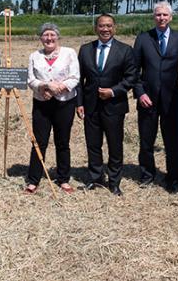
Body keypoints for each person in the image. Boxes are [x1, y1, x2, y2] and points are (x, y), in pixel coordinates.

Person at [77, 14, 137, 196]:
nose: (105, 29)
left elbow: (131, 77)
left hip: (114, 106)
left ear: (114, 28)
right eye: (102, 26)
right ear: (96, 28)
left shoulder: (125, 50)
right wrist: (79, 103)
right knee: (93, 144)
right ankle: (95, 178)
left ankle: (114, 181)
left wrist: (113, 91)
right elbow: (79, 80)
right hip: (91, 106)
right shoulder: (85, 49)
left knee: (115, 145)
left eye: (109, 26)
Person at [132, 1, 178, 191]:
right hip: (147, 99)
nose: (161, 18)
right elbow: (134, 71)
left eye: (165, 15)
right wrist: (139, 93)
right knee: (146, 140)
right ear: (153, 17)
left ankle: (173, 176)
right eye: (158, 15)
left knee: (172, 140)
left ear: (171, 17)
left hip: (171, 99)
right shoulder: (143, 38)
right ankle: (147, 174)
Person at [25, 23, 80, 195]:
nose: (49, 38)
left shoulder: (69, 53)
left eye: (52, 35)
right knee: (39, 142)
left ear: (57, 36)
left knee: (62, 141)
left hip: (65, 103)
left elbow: (75, 77)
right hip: (42, 103)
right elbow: (31, 79)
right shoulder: (34, 56)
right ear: (40, 38)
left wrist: (59, 88)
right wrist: (44, 87)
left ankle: (63, 179)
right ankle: (34, 179)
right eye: (45, 35)